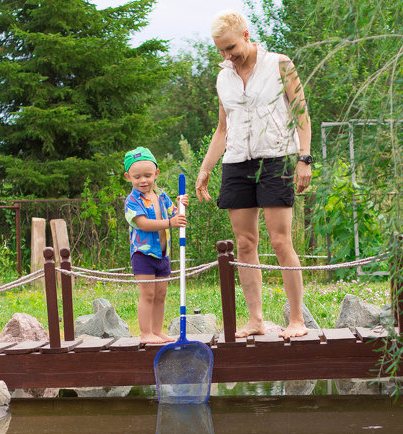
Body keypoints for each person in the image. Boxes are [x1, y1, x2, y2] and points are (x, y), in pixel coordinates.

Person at [195, 10, 312, 340]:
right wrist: (205, 170)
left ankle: (297, 320)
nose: (227, 56)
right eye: (221, 50)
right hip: (237, 163)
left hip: (276, 159)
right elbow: (222, 129)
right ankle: (256, 319)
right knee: (245, 244)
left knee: (280, 240)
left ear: (245, 35)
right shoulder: (223, 77)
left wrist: (305, 158)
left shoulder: (279, 64)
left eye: (230, 47)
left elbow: (302, 115)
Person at [124, 147, 189, 344]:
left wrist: (181, 203)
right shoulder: (132, 200)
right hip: (143, 254)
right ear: (128, 177)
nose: (143, 180)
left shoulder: (161, 196)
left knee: (160, 294)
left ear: (156, 174)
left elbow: (175, 214)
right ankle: (145, 334)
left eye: (147, 175)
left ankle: (157, 331)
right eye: (137, 177)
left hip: (163, 253)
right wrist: (171, 223)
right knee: (148, 294)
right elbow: (143, 224)